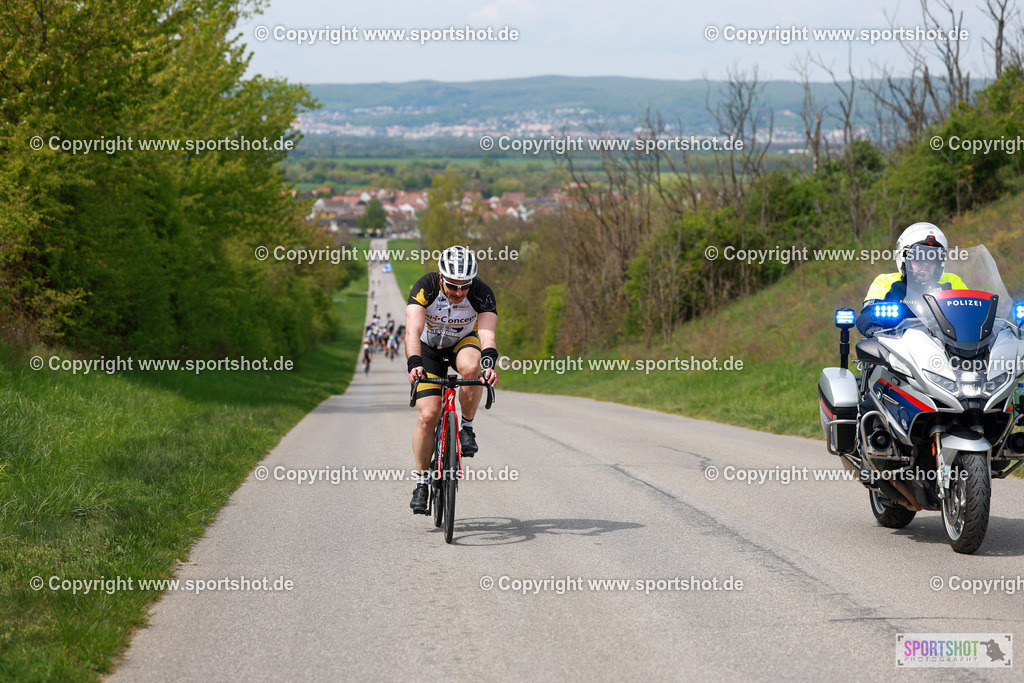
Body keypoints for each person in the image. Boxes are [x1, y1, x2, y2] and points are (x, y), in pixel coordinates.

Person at [405, 245, 499, 514]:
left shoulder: (482, 293)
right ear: (442, 278)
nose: (459, 293)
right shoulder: (426, 287)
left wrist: (488, 367)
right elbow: (413, 330)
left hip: (462, 342)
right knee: (428, 415)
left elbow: (487, 336)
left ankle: (466, 427)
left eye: (464, 287)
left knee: (472, 368)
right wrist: (414, 364)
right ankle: (422, 482)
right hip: (428, 349)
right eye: (453, 286)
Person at [855, 223, 966, 336]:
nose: (925, 264)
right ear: (904, 259)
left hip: (945, 347)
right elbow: (868, 314)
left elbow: (972, 312)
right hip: (897, 348)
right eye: (918, 257)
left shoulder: (952, 282)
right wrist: (875, 330)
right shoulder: (885, 282)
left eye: (933, 258)